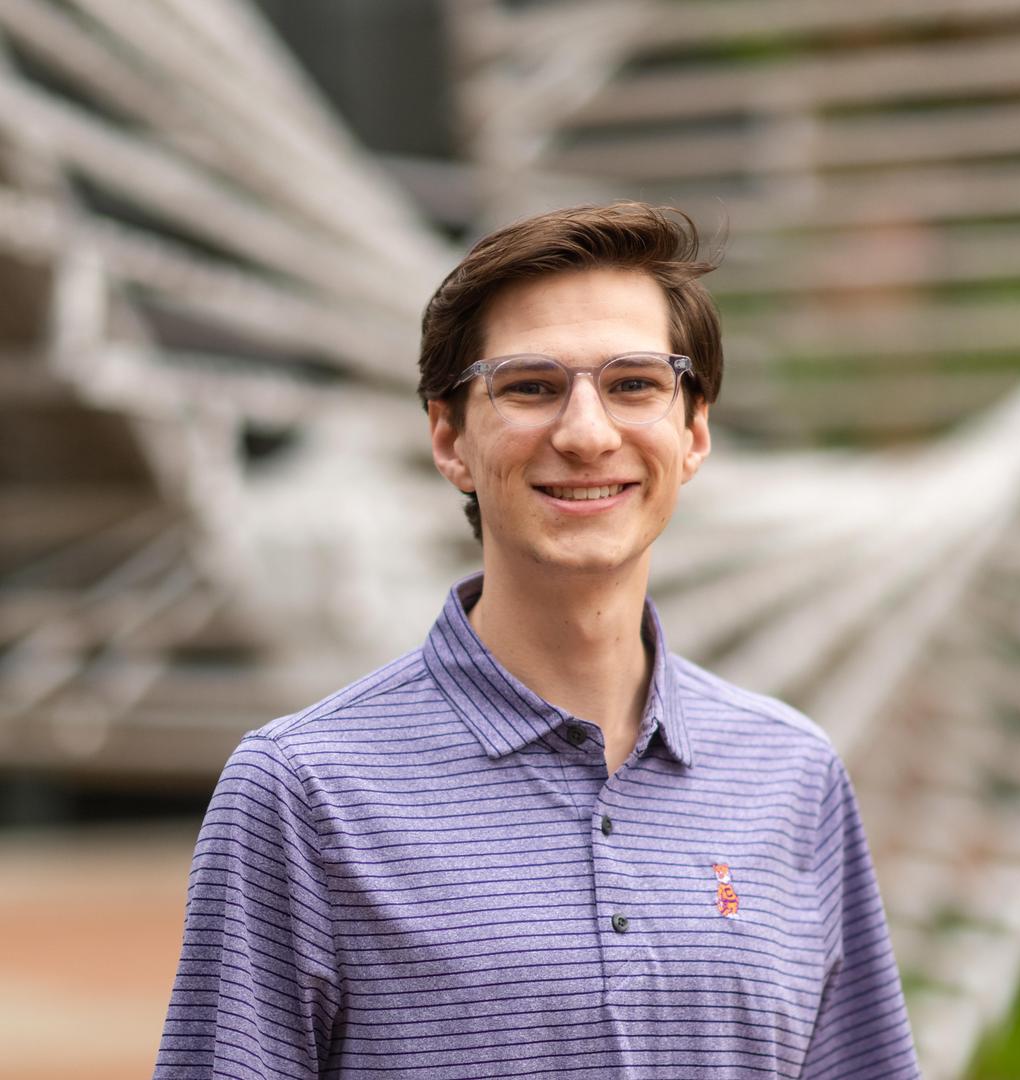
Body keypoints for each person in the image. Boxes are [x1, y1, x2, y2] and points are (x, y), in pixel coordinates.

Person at [155, 202, 920, 1079]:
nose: (587, 433)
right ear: (449, 438)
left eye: (635, 383)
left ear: (694, 430)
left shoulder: (792, 772)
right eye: (530, 386)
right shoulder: (302, 792)